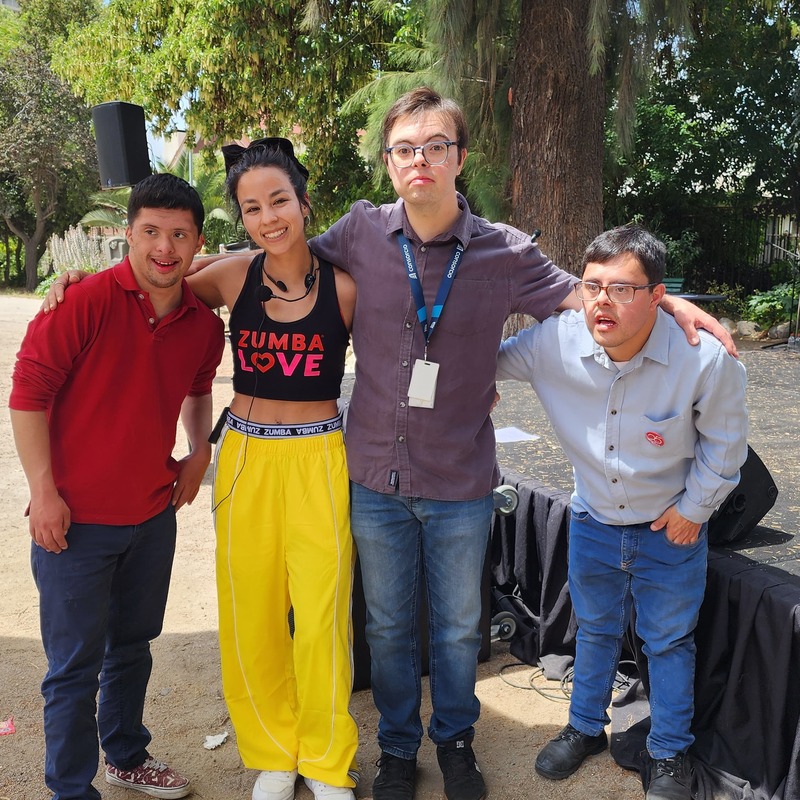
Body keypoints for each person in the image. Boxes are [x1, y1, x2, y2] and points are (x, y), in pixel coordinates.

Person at [46, 89, 735, 800]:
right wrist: (87, 281)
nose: (420, 160)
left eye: (436, 146)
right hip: (371, 473)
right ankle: (392, 750)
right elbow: (215, 263)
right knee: (378, 626)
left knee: (454, 628)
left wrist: (668, 300)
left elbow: (588, 294)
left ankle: (452, 742)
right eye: (405, 148)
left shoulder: (503, 251)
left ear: (459, 158)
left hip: (454, 476)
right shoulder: (358, 233)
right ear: (388, 161)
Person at [41, 139, 359, 800]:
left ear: (303, 203)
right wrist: (75, 279)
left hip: (318, 455)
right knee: (252, 611)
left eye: (278, 201)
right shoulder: (231, 277)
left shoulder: (348, 288)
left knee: (323, 613)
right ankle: (273, 752)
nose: (268, 217)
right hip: (247, 455)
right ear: (241, 218)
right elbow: (155, 272)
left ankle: (326, 759)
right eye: (252, 208)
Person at [495, 225, 748, 800]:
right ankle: (585, 728)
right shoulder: (553, 342)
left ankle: (669, 752)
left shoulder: (703, 359)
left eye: (622, 289)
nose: (601, 302)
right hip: (594, 522)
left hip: (670, 528)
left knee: (669, 642)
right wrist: (471, 385)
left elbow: (726, 446)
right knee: (595, 631)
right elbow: (478, 361)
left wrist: (693, 510)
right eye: (591, 287)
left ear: (658, 296)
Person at [9, 173, 225, 800]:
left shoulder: (202, 325)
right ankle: (71, 790)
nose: (164, 248)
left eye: (179, 235)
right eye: (151, 231)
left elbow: (198, 387)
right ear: (127, 234)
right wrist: (43, 493)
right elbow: (28, 397)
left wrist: (199, 449)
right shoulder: (82, 301)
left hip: (151, 518)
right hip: (75, 523)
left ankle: (126, 756)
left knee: (132, 648)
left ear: (197, 243)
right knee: (74, 668)